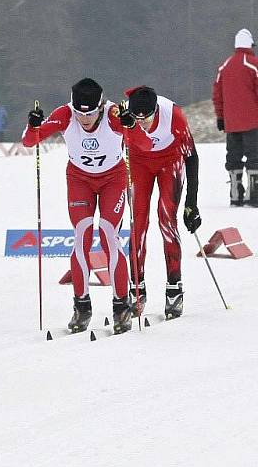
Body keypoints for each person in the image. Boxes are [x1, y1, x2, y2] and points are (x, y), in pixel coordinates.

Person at [22, 78, 152, 334]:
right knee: (82, 235)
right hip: (79, 179)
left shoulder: (115, 114)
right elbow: (29, 141)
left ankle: (121, 305)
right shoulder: (65, 115)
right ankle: (82, 307)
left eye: (90, 113)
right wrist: (33, 125)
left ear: (100, 107)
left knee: (108, 235)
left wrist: (132, 126)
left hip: (112, 180)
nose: (84, 119)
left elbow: (145, 144)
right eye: (80, 113)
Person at [124, 86, 201, 320]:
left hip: (170, 161)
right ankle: (137, 288)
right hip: (139, 162)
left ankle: (174, 288)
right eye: (136, 119)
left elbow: (192, 157)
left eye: (145, 118)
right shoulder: (127, 117)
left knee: (166, 218)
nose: (141, 124)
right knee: (138, 222)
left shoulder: (173, 115)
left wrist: (191, 204)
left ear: (155, 111)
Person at [212, 28, 258, 206]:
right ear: (249, 45)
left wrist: (221, 117)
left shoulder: (224, 66)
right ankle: (254, 195)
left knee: (233, 157)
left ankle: (235, 193)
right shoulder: (253, 64)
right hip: (253, 122)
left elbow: (217, 95)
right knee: (254, 158)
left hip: (231, 124)